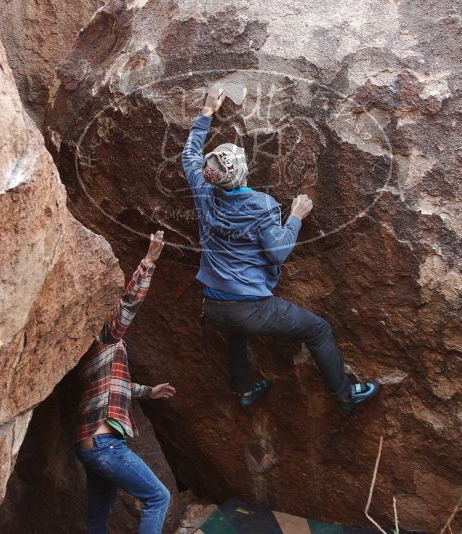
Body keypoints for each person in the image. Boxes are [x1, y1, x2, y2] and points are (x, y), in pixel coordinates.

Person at [181, 87, 380, 413]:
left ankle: (244, 389)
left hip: (214, 305)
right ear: (242, 173)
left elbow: (189, 153)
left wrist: (205, 113)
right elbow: (277, 253)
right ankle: (345, 396)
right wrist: (296, 218)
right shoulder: (262, 206)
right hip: (251, 308)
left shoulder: (202, 188)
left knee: (235, 332)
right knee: (318, 330)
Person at [75, 231, 176, 534]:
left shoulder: (90, 353)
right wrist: (148, 261)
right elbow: (129, 304)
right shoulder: (104, 337)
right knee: (158, 497)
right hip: (104, 445)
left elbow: (117, 385)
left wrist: (149, 391)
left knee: (98, 518)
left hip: (89, 444)